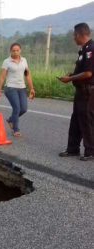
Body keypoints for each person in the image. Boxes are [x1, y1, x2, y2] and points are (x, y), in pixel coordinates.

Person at [58, 23, 94, 161]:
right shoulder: (84, 50)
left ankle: (90, 151)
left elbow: (88, 73)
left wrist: (70, 78)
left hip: (88, 92)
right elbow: (83, 71)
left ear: (80, 34)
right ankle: (73, 149)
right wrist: (72, 74)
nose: (74, 38)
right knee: (76, 120)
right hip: (81, 91)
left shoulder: (91, 49)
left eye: (74, 35)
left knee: (87, 120)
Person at [0, 43, 35, 137]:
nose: (15, 52)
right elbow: (2, 77)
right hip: (10, 88)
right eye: (13, 50)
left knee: (24, 109)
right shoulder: (7, 61)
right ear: (10, 51)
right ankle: (15, 129)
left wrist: (32, 88)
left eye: (17, 50)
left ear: (20, 50)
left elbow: (27, 75)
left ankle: (10, 120)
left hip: (22, 88)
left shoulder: (24, 60)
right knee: (16, 108)